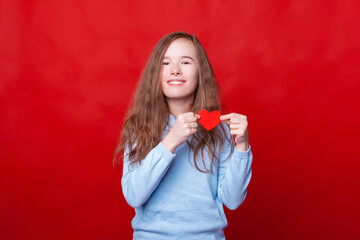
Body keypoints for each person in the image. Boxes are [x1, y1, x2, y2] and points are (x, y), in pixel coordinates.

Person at [113, 32, 253, 240]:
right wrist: (171, 141)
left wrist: (242, 147)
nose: (175, 70)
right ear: (155, 73)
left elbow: (232, 200)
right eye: (165, 63)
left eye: (186, 62)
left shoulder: (219, 130)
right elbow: (134, 195)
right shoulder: (139, 127)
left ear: (200, 72)